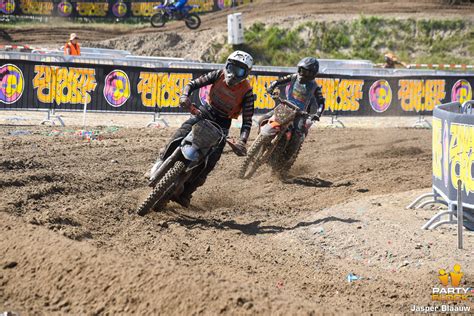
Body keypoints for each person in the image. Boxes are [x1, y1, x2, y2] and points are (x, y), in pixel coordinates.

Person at [153, 50, 255, 208]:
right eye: (231, 67)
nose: (233, 74)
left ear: (246, 73)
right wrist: (184, 96)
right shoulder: (217, 74)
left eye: (239, 70)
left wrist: (242, 141)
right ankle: (160, 161)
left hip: (222, 125)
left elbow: (247, 121)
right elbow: (192, 84)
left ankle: (187, 193)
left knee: (210, 163)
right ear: (226, 65)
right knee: (179, 133)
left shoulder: (248, 93)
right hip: (204, 112)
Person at [263, 57, 325, 171]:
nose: (301, 73)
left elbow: (321, 102)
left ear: (312, 74)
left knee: (297, 134)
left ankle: (284, 160)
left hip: (300, 114)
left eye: (305, 71)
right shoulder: (293, 77)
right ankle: (262, 143)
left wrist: (317, 114)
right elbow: (278, 81)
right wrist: (272, 87)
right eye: (300, 70)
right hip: (285, 106)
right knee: (263, 118)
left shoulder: (315, 87)